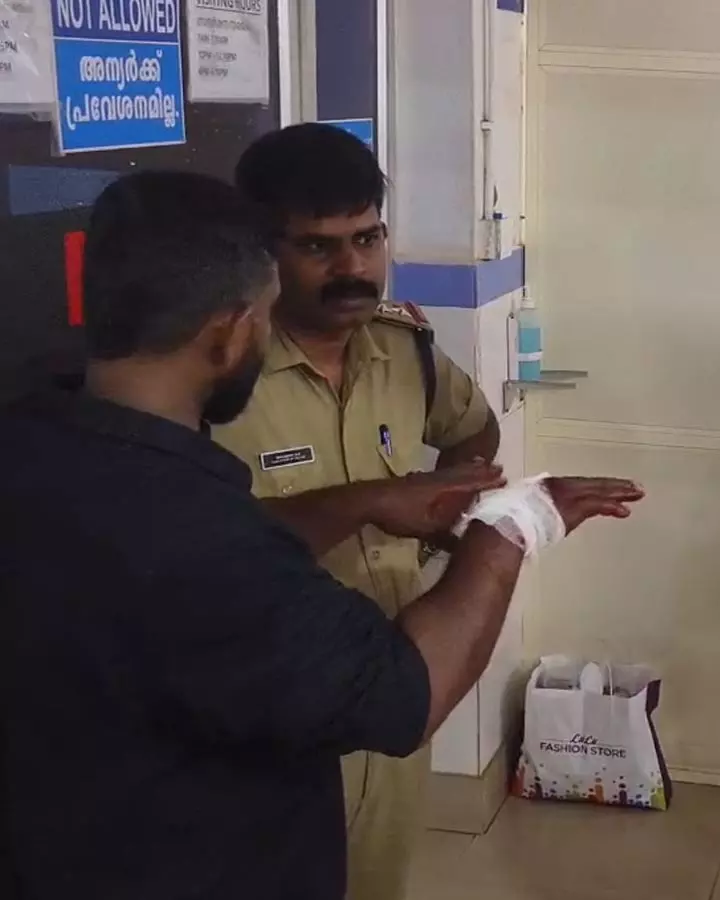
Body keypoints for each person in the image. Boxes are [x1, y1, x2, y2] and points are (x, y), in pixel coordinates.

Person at [0, 170, 644, 899]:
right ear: (232, 332)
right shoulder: (200, 534)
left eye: (367, 238)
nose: (349, 265)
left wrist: (386, 505)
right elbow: (406, 695)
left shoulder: (33, 447)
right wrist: (516, 523)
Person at [209, 122, 499, 900]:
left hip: (391, 690)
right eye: (318, 246)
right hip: (271, 717)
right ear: (261, 251)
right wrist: (369, 501)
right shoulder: (215, 374)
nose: (353, 268)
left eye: (367, 238)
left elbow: (473, 429)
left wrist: (441, 523)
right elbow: (202, 555)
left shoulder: (404, 352)